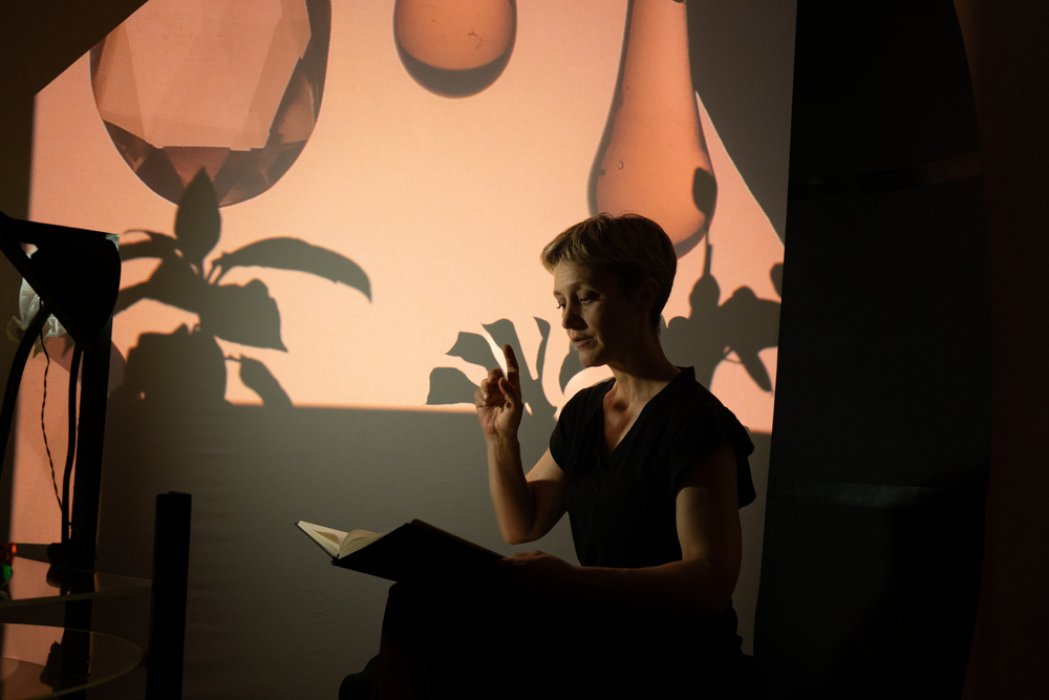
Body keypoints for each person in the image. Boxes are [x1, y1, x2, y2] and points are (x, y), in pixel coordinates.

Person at [344, 213, 756, 699]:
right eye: (561, 302)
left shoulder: (696, 421)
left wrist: (573, 583)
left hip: (669, 658)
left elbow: (709, 581)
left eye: (587, 297)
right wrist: (500, 438)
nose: (567, 321)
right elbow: (523, 523)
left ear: (644, 295)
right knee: (416, 606)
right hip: (598, 633)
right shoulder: (585, 410)